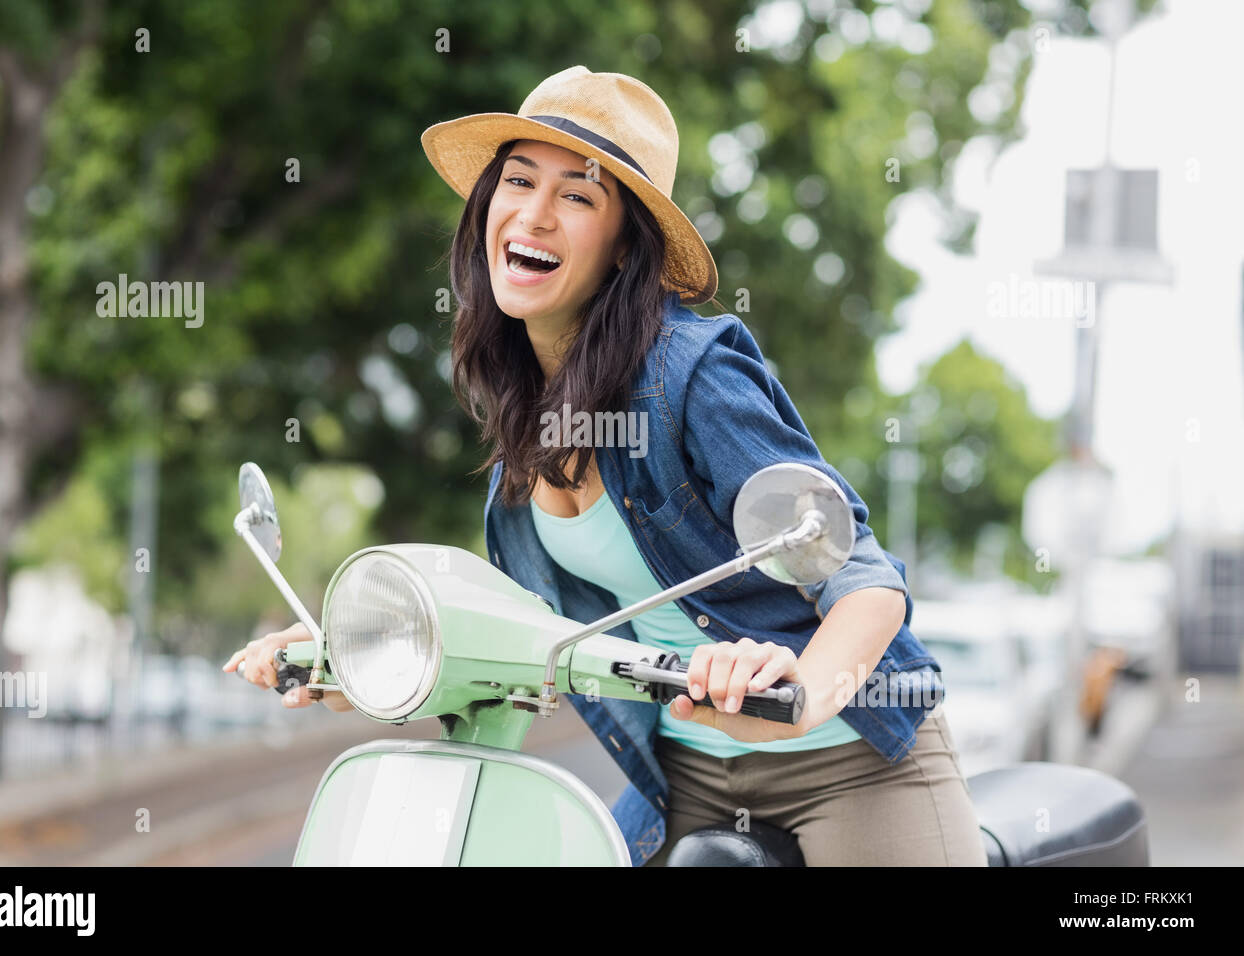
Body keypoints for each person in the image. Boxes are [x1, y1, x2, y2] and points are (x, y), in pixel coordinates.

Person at [229, 65, 988, 867]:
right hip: (684, 778)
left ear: (626, 244)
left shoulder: (693, 375)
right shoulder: (520, 444)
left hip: (851, 767)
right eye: (517, 181)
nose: (535, 213)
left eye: (579, 196)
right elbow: (520, 653)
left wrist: (800, 691)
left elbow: (865, 577)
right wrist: (347, 657)